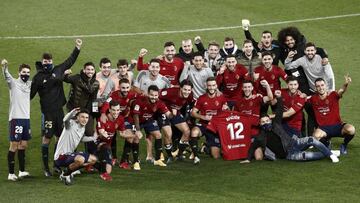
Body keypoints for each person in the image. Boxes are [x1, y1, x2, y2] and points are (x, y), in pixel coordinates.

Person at [30, 39, 82, 177]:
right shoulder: (38, 78)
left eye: (49, 61)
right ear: (42, 62)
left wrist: (77, 47)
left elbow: (69, 61)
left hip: (59, 111)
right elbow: (30, 95)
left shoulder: (58, 70)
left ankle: (56, 165)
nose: (47, 63)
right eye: (45, 62)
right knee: (46, 138)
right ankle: (46, 168)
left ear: (52, 61)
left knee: (59, 139)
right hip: (47, 113)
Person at [242, 90, 339, 163]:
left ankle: (330, 154)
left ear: (270, 120)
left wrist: (279, 98)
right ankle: (329, 152)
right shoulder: (260, 137)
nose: (266, 123)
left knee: (311, 140)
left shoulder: (276, 123)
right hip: (290, 155)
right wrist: (247, 160)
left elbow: (279, 110)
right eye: (263, 122)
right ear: (260, 124)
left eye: (267, 120)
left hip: (294, 142)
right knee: (309, 156)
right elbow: (252, 148)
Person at [310, 76, 356, 154]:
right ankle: (326, 143)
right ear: (315, 88)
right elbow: (302, 99)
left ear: (325, 86)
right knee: (315, 136)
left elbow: (341, 91)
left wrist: (346, 84)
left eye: (322, 85)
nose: (320, 88)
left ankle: (344, 145)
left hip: (338, 126)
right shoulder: (312, 98)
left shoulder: (333, 95)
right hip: (324, 129)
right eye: (318, 86)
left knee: (351, 129)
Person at [2, 60, 31, 181]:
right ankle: (10, 173)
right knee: (14, 144)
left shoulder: (30, 84)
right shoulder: (13, 83)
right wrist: (4, 67)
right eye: (24, 72)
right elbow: (6, 76)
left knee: (23, 145)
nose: (26, 74)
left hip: (26, 119)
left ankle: (22, 171)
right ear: (19, 73)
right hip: (16, 118)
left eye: (28, 72)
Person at [100, 78, 139, 169]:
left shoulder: (132, 94)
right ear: (119, 87)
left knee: (129, 137)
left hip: (125, 119)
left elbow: (142, 96)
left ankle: (123, 161)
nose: (125, 90)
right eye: (123, 88)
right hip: (113, 118)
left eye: (127, 88)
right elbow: (106, 103)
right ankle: (113, 157)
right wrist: (103, 113)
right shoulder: (113, 95)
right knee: (111, 135)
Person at [54, 108, 97, 185]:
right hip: (61, 156)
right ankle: (65, 175)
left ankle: (68, 170)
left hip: (70, 154)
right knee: (81, 160)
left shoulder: (82, 128)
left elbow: (81, 139)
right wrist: (72, 112)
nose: (85, 119)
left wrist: (93, 138)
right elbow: (65, 120)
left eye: (86, 117)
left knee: (93, 160)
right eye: (82, 117)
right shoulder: (70, 123)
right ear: (77, 117)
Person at [131, 85, 172, 167]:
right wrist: (138, 130)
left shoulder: (159, 102)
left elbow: (168, 114)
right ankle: (136, 161)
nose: (154, 97)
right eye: (152, 95)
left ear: (158, 95)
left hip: (148, 120)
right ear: (148, 94)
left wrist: (172, 115)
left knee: (158, 135)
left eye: (156, 95)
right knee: (136, 138)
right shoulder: (140, 101)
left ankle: (157, 159)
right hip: (137, 121)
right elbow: (135, 115)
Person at [190, 77, 228, 163]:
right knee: (194, 132)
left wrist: (226, 109)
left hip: (215, 127)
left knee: (216, 156)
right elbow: (193, 113)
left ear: (216, 86)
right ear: (206, 86)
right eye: (209, 86)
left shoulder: (221, 97)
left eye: (213, 85)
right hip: (204, 124)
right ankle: (196, 157)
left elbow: (226, 111)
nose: (211, 87)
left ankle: (206, 147)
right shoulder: (201, 98)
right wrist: (203, 117)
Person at [159, 80, 194, 162]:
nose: (187, 92)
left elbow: (188, 105)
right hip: (164, 112)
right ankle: (170, 156)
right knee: (168, 134)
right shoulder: (170, 92)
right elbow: (157, 96)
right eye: (185, 89)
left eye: (189, 90)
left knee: (187, 131)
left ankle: (179, 154)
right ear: (180, 88)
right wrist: (166, 110)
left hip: (175, 112)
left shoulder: (190, 95)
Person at [96, 101, 129, 180]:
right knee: (105, 146)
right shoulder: (103, 119)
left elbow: (122, 134)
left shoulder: (120, 118)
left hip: (108, 145)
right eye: (114, 110)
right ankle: (103, 174)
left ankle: (94, 163)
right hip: (97, 143)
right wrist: (104, 134)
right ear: (110, 110)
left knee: (109, 169)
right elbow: (101, 132)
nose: (116, 112)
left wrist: (134, 135)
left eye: (118, 110)